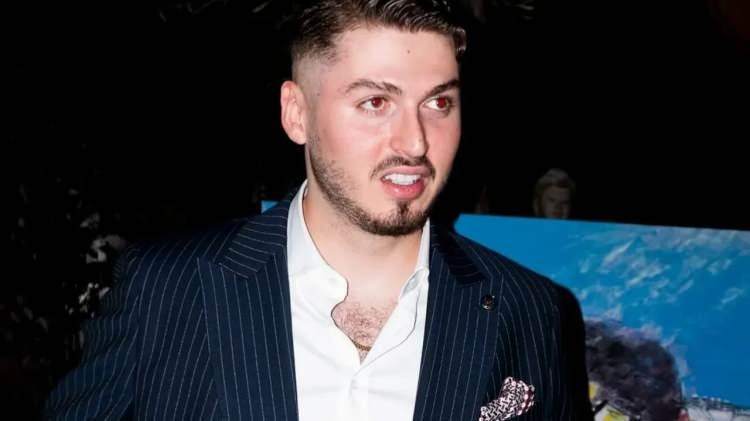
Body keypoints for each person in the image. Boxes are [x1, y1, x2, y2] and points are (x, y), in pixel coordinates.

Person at [44, 1, 593, 419]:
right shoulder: (166, 289)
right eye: (375, 102)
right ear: (296, 113)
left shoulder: (531, 310)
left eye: (438, 102)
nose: (416, 142)